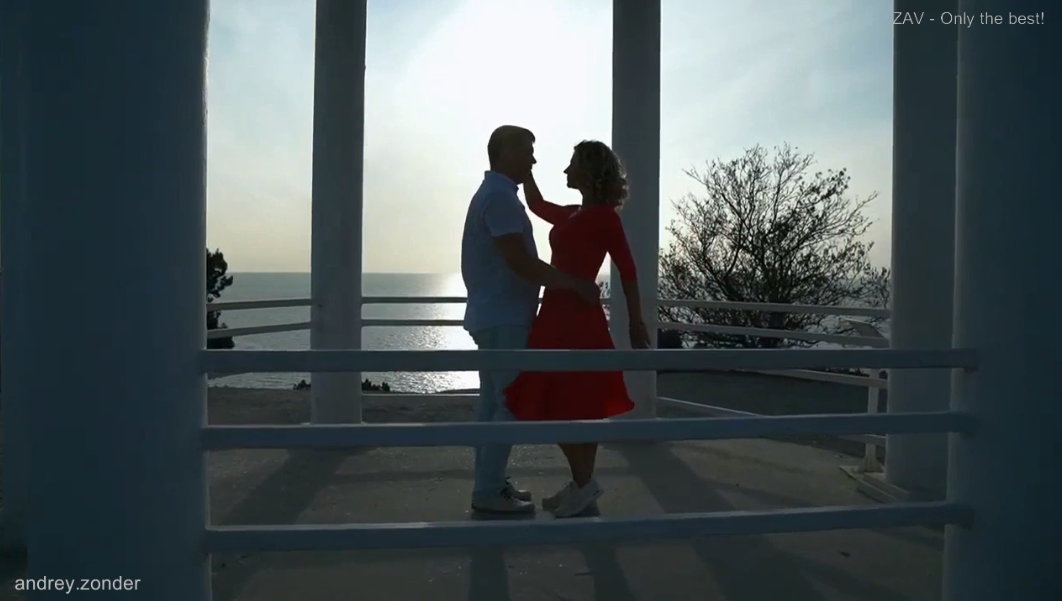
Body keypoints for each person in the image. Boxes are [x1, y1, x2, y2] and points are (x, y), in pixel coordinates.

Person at [504, 140, 650, 518]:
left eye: (572, 164)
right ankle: (583, 485)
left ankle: (584, 486)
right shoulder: (574, 214)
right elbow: (537, 205)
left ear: (589, 171)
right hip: (556, 313)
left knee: (571, 402)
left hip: (577, 318)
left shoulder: (604, 218)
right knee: (567, 401)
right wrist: (526, 173)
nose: (566, 170)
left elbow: (628, 271)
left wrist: (636, 322)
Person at [461, 125, 601, 514]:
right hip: (504, 318)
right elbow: (519, 261)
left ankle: (489, 484)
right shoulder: (500, 198)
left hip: (494, 316)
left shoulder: (496, 194)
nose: (533, 160)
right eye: (527, 151)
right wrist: (573, 284)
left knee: (492, 406)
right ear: (505, 153)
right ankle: (489, 491)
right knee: (508, 404)